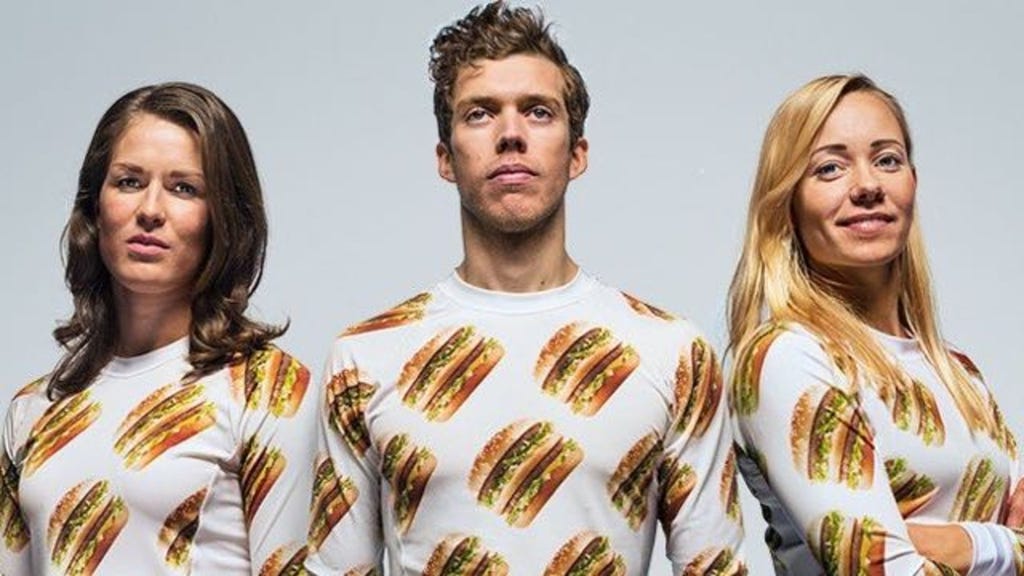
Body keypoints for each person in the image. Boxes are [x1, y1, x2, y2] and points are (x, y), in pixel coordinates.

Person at [305, 2, 745, 574]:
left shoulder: (673, 353)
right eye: (480, 114)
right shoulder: (364, 358)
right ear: (445, 158)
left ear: (577, 154)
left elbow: (714, 566)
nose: (511, 134)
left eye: (538, 112)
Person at [0, 82, 315, 574]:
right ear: (96, 204)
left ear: (223, 216)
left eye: (184, 188)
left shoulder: (267, 391)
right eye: (129, 181)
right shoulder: (35, 410)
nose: (150, 210)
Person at [727, 73, 1023, 575]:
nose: (867, 186)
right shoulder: (787, 357)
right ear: (787, 203)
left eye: (887, 160)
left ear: (913, 181)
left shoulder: (958, 373)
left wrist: (966, 545)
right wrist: (999, 545)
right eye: (829, 168)